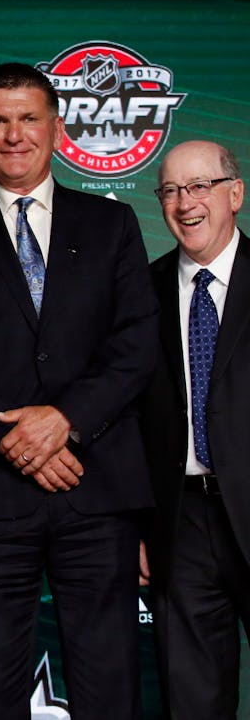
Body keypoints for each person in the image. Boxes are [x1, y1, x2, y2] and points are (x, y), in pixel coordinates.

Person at [0, 63, 157, 719]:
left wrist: (66, 420)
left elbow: (136, 344)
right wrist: (14, 439)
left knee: (110, 683)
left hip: (96, 488)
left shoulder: (113, 225)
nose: (14, 135)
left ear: (56, 128)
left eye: (28, 118)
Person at [140, 140, 250, 719]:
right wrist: (138, 522)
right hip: (179, 523)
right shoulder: (141, 292)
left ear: (235, 194)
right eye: (172, 190)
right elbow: (127, 415)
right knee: (192, 700)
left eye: (200, 186)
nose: (186, 203)